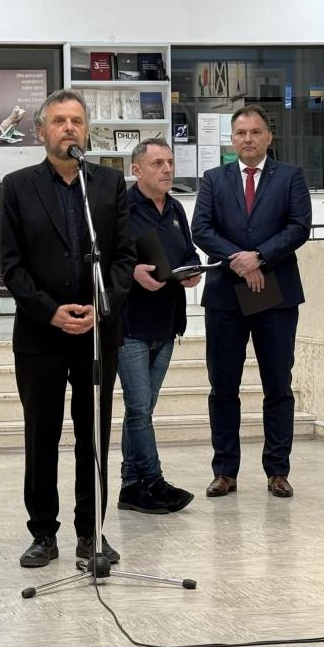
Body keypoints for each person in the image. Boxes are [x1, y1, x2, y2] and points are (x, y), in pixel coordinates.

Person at [0, 89, 134, 568]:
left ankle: (91, 533)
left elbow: (123, 258)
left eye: (76, 120)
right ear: (41, 132)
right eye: (59, 121)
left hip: (97, 333)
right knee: (42, 436)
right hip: (40, 335)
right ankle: (43, 533)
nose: (69, 128)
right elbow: (11, 266)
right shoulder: (17, 187)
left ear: (87, 130)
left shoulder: (109, 185)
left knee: (93, 436)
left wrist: (102, 307)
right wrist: (49, 311)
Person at [192, 104, 311, 499]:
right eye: (241, 133)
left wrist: (259, 256)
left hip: (275, 295)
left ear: (268, 137)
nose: (248, 139)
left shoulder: (290, 176)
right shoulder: (214, 179)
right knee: (223, 386)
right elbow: (201, 229)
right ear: (232, 138)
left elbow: (299, 227)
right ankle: (224, 471)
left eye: (255, 132)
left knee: (278, 385)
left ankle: (278, 471)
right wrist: (240, 262)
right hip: (226, 296)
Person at [117, 138, 200, 515]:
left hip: (167, 322)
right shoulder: (120, 208)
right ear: (136, 170)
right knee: (139, 407)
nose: (167, 169)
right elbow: (105, 259)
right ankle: (154, 481)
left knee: (143, 408)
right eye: (157, 164)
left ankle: (130, 486)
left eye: (170, 162)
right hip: (131, 324)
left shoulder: (177, 208)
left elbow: (188, 251)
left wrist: (193, 269)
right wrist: (132, 272)